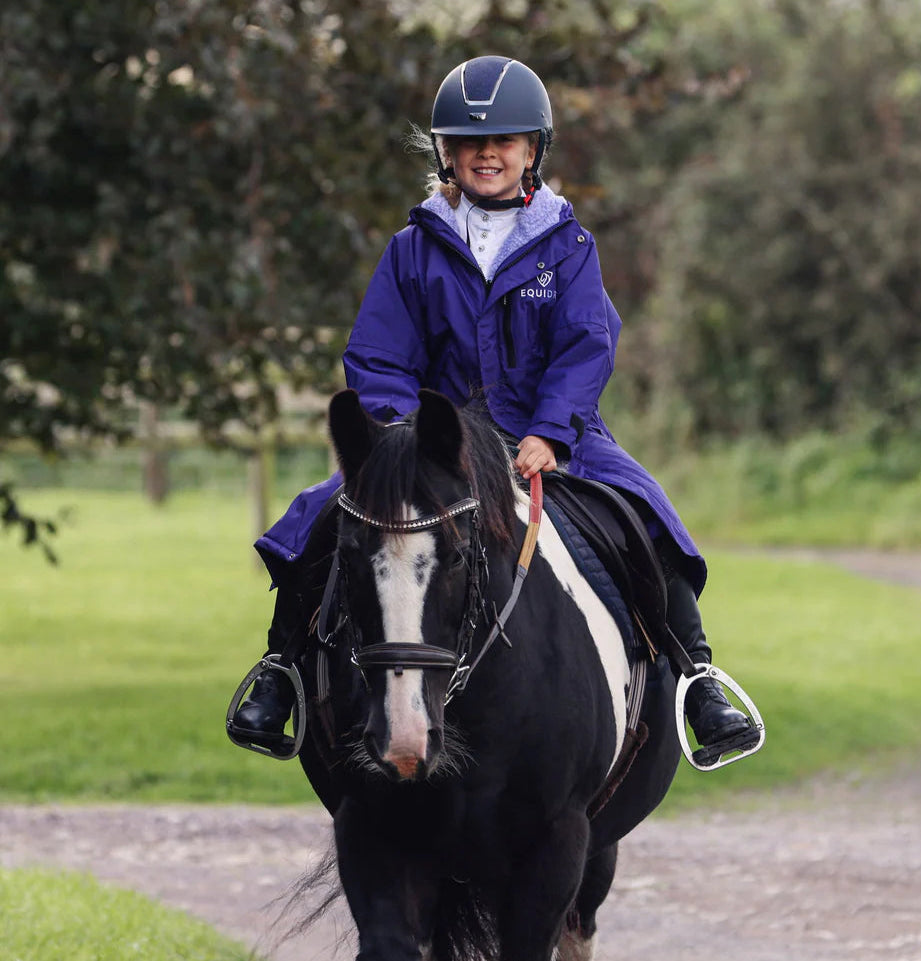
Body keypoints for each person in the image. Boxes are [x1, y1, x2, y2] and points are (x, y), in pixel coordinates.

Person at [230, 55, 758, 759]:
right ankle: (280, 671)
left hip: (550, 435)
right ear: (446, 153)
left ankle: (698, 679)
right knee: (323, 517)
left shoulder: (568, 246)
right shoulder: (411, 250)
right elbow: (378, 356)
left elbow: (587, 344)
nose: (488, 154)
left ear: (532, 150)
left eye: (504, 141)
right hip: (431, 440)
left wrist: (551, 431)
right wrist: (403, 436)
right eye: (471, 142)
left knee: (643, 516)